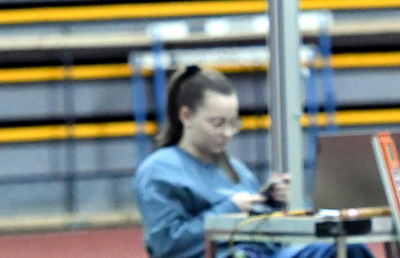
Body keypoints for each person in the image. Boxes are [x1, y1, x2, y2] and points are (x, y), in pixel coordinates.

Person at [134, 65, 375, 258]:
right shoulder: (159, 171)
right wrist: (231, 208)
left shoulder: (237, 171)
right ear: (186, 116)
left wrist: (268, 204)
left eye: (233, 123)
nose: (227, 132)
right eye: (217, 123)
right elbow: (166, 246)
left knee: (351, 249)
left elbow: (272, 242)